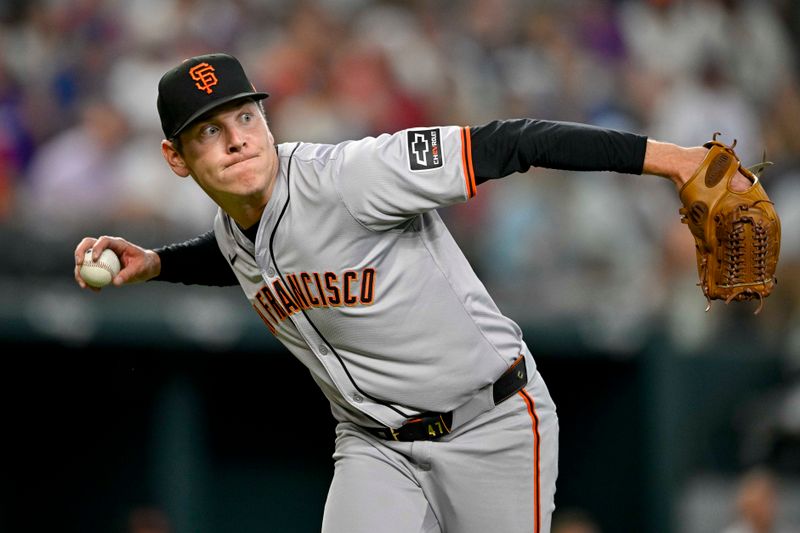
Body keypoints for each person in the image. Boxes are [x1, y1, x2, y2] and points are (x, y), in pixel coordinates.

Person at [73, 53, 754, 533]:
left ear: (265, 118)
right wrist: (156, 264)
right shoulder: (235, 228)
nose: (236, 141)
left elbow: (512, 141)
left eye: (244, 118)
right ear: (175, 157)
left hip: (490, 425)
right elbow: (245, 256)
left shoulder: (354, 175)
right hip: (374, 445)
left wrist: (678, 161)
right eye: (208, 131)